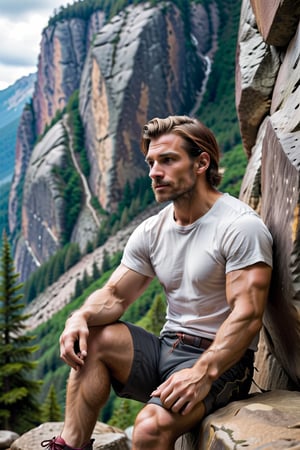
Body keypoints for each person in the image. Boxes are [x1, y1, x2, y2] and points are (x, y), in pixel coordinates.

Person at [41, 115, 273, 450]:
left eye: (167, 160)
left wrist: (203, 373)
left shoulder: (240, 227)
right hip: (168, 348)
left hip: (223, 364)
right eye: (151, 162)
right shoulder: (153, 230)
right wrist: (79, 317)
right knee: (91, 338)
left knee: (149, 428)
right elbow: (114, 295)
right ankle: (70, 446)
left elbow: (248, 316)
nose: (154, 172)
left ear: (201, 162)